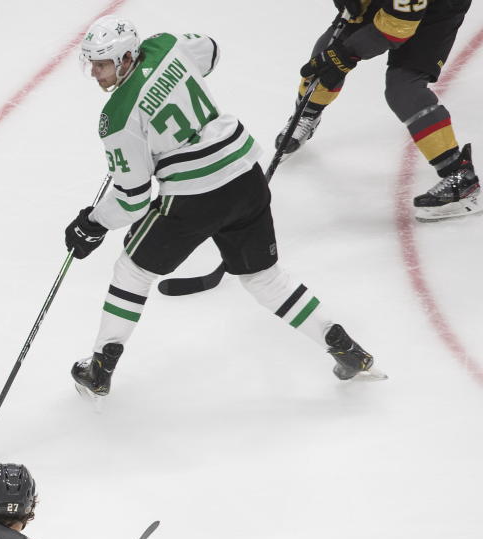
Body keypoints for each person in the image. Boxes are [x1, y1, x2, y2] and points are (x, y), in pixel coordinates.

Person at [65, 15, 384, 398]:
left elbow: (133, 200)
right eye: (92, 64)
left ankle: (100, 368)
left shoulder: (116, 118)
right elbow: (211, 51)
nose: (96, 73)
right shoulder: (165, 45)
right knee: (265, 278)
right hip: (244, 175)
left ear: (127, 57)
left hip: (193, 197)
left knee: (131, 270)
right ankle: (344, 347)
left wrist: (93, 223)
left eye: (102, 63)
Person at [276, 0, 479, 222]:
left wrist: (347, 54)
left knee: (403, 88)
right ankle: (308, 113)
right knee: (326, 52)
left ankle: (460, 177)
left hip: (437, 9)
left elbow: (397, 26)